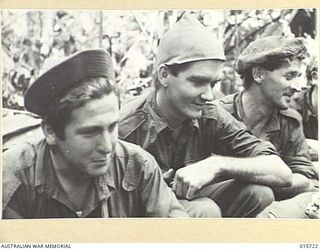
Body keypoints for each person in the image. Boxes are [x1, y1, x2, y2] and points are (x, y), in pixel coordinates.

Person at [119, 13, 292, 218]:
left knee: (258, 194)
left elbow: (282, 173)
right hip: (140, 215)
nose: (209, 96)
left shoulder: (209, 115)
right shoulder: (125, 126)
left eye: (213, 84)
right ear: (164, 75)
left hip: (187, 202)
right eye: (198, 82)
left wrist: (216, 165)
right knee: (204, 210)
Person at [2, 49, 188, 219]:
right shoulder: (14, 174)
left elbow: (174, 235)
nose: (107, 146)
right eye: (90, 132)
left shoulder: (139, 166)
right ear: (51, 132)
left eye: (112, 127)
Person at [215, 36, 318, 217]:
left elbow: (307, 180)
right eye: (289, 76)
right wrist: (267, 175)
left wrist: (257, 176)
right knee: (259, 193)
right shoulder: (217, 114)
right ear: (258, 74)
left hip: (267, 210)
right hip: (218, 210)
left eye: (299, 77)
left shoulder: (290, 120)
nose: (298, 87)